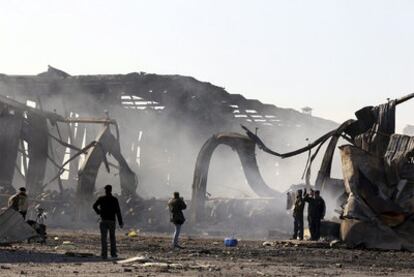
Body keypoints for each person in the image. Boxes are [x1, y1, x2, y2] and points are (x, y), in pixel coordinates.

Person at [93, 185, 123, 259]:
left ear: (105, 190)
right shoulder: (114, 199)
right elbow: (118, 212)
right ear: (111, 190)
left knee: (104, 238)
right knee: (112, 238)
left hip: (103, 220)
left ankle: (104, 254)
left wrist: (98, 212)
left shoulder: (101, 199)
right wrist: (120, 222)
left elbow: (94, 206)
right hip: (112, 221)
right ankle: (113, 253)